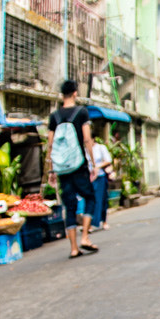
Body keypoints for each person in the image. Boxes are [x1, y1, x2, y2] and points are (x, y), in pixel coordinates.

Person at [46, 79, 99, 259]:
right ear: (75, 93)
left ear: (62, 95)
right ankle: (85, 237)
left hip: (62, 168)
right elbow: (86, 139)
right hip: (78, 165)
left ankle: (74, 248)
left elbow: (50, 144)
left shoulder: (54, 116)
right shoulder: (81, 112)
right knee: (90, 198)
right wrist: (93, 163)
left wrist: (51, 170)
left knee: (70, 206)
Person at [90, 137, 113, 230]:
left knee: (102, 199)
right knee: (91, 200)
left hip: (100, 177)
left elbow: (108, 160)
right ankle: (90, 224)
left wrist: (97, 167)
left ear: (93, 139)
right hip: (89, 178)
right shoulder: (84, 149)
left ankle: (104, 221)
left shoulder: (100, 148)